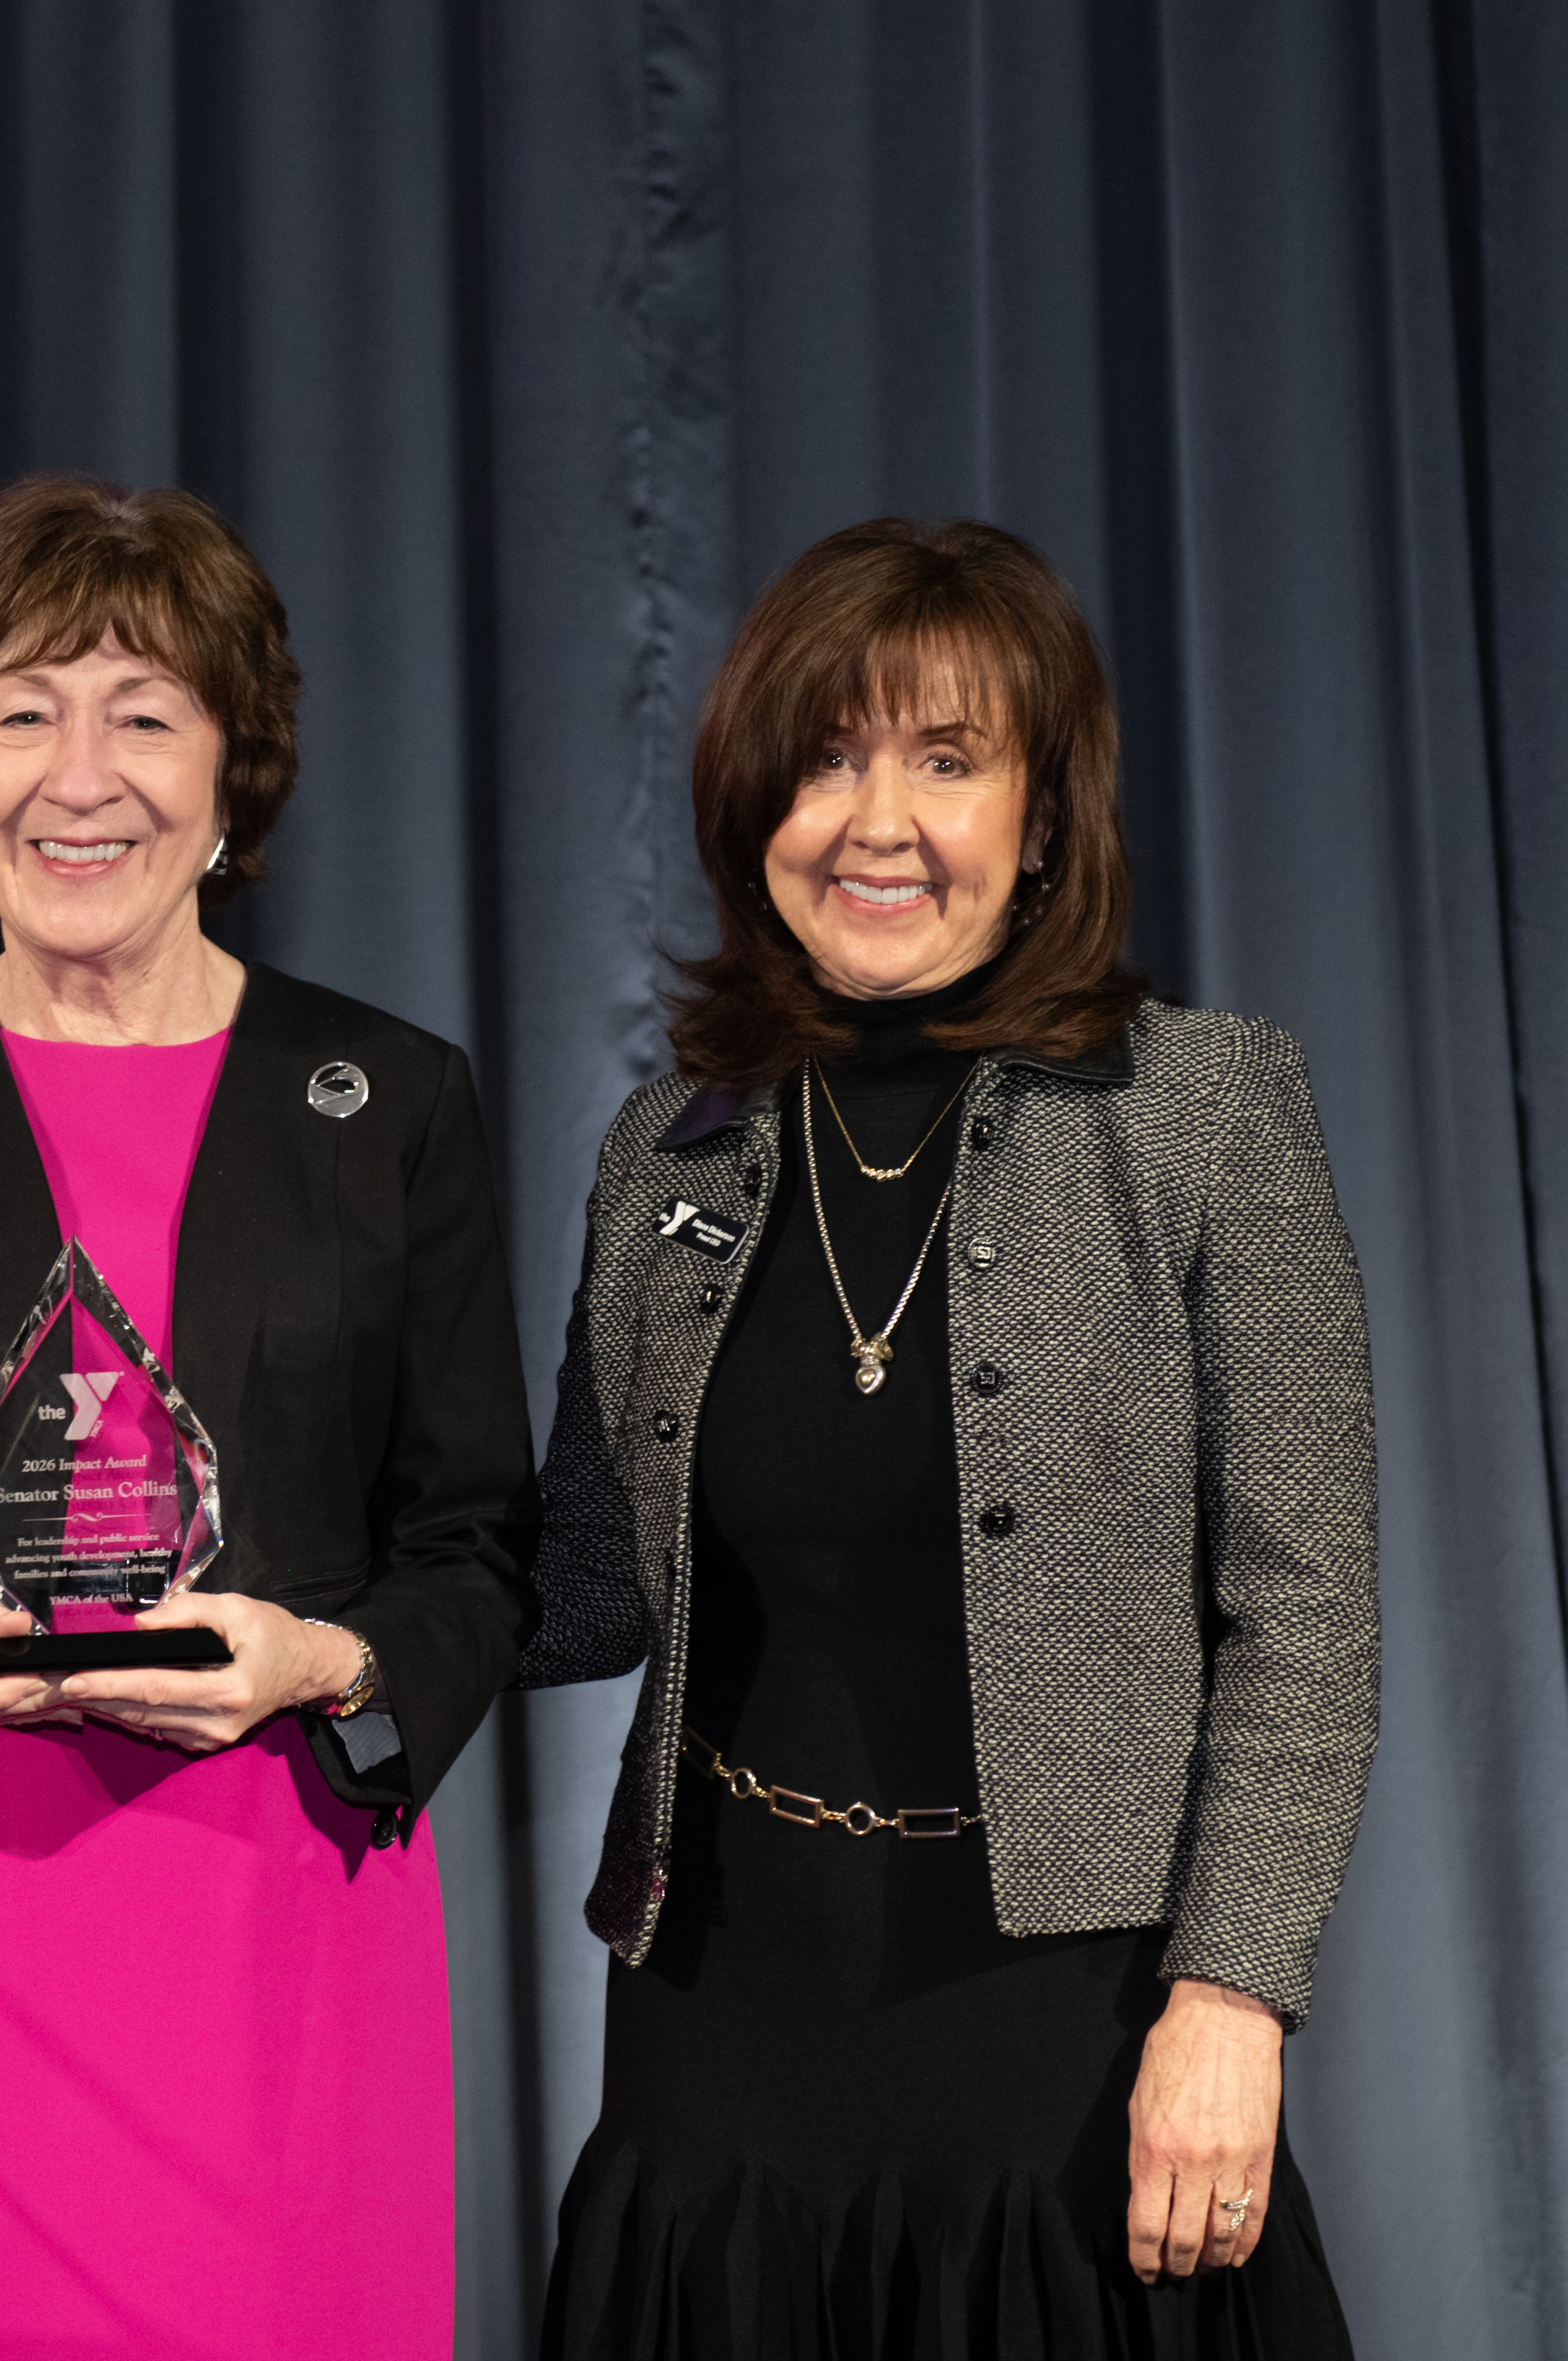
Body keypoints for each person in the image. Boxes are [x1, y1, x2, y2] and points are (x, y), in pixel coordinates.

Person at [0, 476, 537, 2360]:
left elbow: (481, 1546)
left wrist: (326, 1659)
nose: (82, 776)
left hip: (276, 1941)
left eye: (144, 712)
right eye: (22, 712)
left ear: (234, 776)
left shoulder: (383, 1100)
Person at [523, 518, 1375, 2356]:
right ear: (757, 804)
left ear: (1045, 816)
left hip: (1069, 2023)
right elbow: (584, 1585)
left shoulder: (1206, 1107)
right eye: (826, 757)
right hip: (720, 2015)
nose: (875, 820)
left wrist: (1234, 1999)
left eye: (946, 757)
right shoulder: (669, 1144)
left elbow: (1305, 1618)